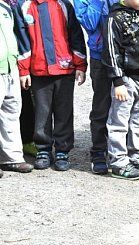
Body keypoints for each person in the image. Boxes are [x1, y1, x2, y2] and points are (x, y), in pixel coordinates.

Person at [19, 0, 87, 172]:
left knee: (64, 111)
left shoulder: (63, 5)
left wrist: (80, 65)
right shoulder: (27, 7)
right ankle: (43, 149)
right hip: (38, 71)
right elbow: (23, 41)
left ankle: (63, 150)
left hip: (64, 70)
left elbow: (76, 35)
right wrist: (24, 70)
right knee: (42, 112)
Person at [102, 0, 139, 180]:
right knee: (119, 121)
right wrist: (118, 81)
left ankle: (136, 157)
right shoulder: (114, 18)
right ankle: (118, 162)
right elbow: (110, 50)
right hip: (126, 80)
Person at [74, 0, 120, 174]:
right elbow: (89, 23)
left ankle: (123, 151)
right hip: (99, 56)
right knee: (102, 106)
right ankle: (99, 151)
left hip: (122, 54)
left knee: (125, 105)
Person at [0, 0, 33, 177]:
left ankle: (11, 158)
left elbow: (16, 35)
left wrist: (19, 67)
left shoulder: (7, 6)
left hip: (10, 67)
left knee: (11, 112)